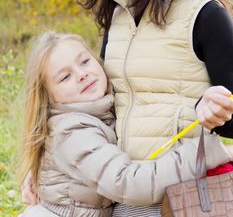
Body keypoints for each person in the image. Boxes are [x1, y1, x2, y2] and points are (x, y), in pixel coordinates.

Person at [82, 0, 233, 216]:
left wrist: (216, 111)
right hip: (123, 187)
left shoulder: (205, 13)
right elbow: (106, 107)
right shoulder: (118, 17)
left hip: (184, 195)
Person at [19, 31, 233, 217]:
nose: (82, 74)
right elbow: (127, 183)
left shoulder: (100, 111)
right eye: (65, 77)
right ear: (48, 97)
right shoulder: (72, 131)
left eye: (84, 62)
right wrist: (208, 152)